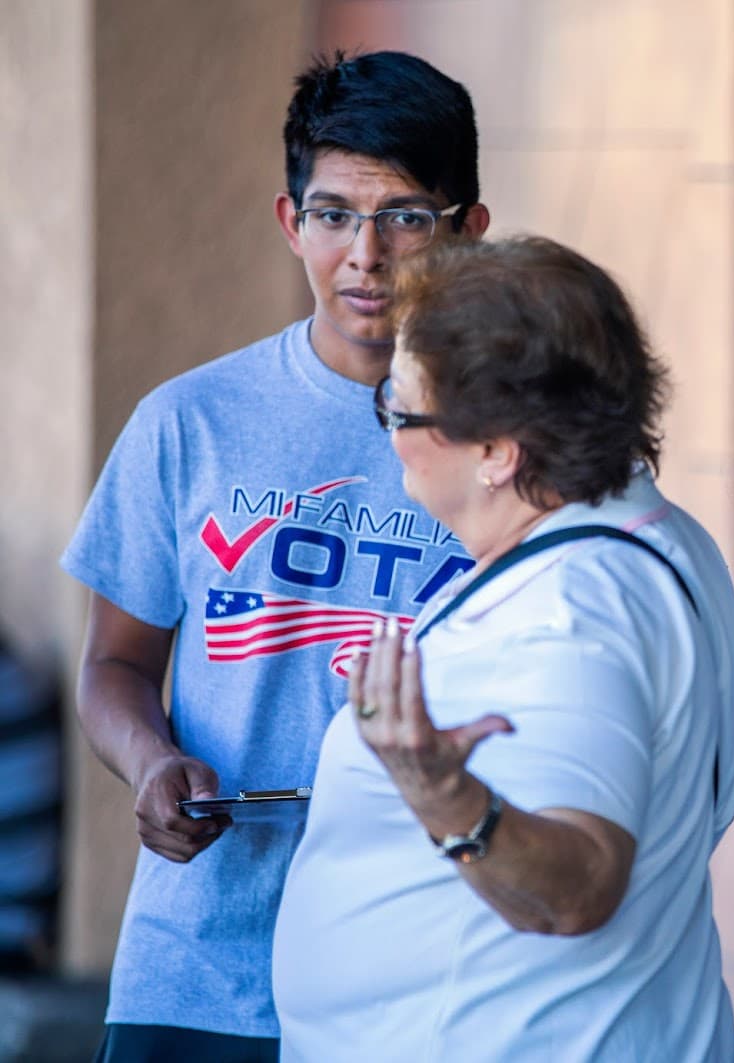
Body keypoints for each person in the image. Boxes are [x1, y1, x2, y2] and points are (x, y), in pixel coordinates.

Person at [60, 51, 489, 1062]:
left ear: (469, 231)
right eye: (335, 214)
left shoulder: (511, 448)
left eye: (407, 217)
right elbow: (113, 666)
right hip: (199, 965)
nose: (366, 255)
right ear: (291, 221)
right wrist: (150, 759)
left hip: (427, 974)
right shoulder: (188, 422)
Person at [271, 235, 734, 1062]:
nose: (388, 432)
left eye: (401, 405)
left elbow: (579, 887)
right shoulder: (649, 534)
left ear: (498, 450)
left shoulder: (572, 607)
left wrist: (445, 793)